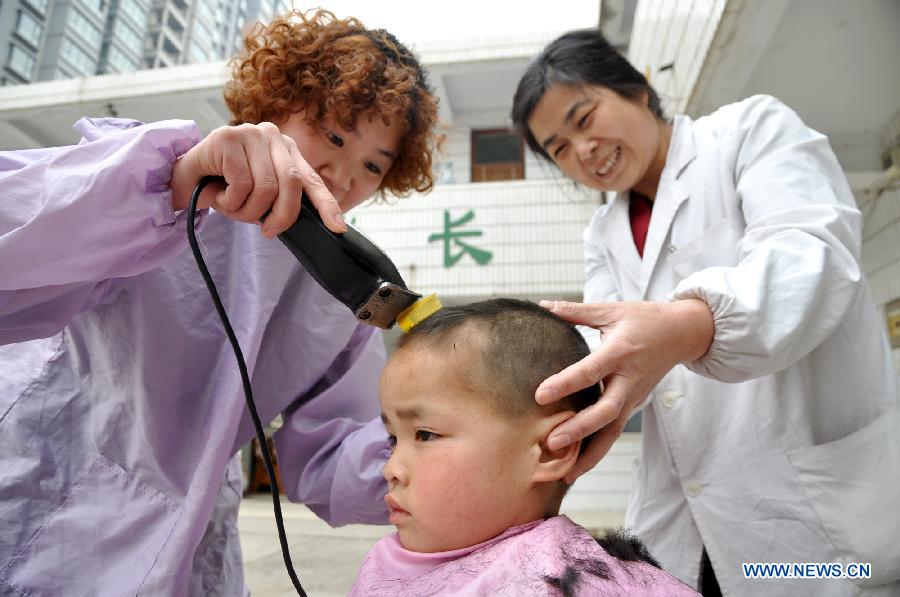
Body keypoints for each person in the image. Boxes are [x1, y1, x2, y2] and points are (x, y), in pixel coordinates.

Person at [0, 10, 438, 596]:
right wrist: (173, 180)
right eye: (332, 135)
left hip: (184, 537)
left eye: (373, 167)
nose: (341, 174)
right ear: (275, 103)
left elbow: (329, 452)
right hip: (37, 464)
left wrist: (446, 450)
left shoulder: (345, 295)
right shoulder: (163, 172)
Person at [511, 29, 900, 597]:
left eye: (584, 117)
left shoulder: (749, 132)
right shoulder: (603, 233)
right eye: (559, 148)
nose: (584, 149)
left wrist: (686, 327)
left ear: (639, 90)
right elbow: (608, 354)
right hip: (688, 527)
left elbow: (810, 258)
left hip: (814, 526)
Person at [350, 299, 700, 596]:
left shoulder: (568, 581)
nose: (390, 469)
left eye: (424, 435)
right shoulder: (383, 560)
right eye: (393, 439)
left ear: (551, 450)